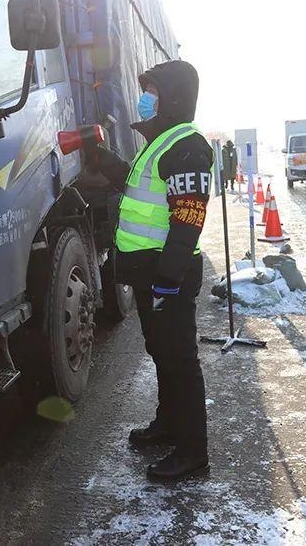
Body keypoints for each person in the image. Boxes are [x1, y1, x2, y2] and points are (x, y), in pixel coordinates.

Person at [87, 60, 212, 481]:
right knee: (160, 352)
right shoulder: (161, 142)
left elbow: (189, 218)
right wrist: (103, 161)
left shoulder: (188, 145)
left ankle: (193, 451)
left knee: (180, 359)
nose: (145, 99)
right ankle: (168, 424)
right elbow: (141, 193)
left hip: (167, 275)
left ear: (172, 96)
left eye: (152, 91)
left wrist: (168, 278)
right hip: (150, 273)